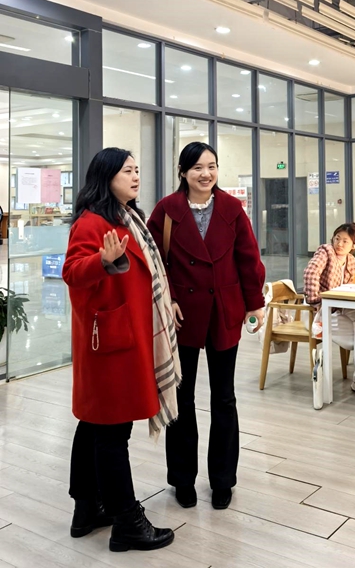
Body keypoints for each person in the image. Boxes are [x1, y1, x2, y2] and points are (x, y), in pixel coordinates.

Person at [63, 148, 180, 553]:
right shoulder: (92, 222)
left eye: (136, 170)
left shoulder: (126, 217)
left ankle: (86, 509)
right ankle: (127, 522)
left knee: (94, 425)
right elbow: (72, 272)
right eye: (127, 171)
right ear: (106, 176)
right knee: (113, 434)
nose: (135, 176)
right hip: (110, 342)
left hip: (121, 337)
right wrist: (101, 260)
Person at [148, 142, 265, 511]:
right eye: (197, 167)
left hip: (223, 310)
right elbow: (154, 261)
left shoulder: (231, 208)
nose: (206, 174)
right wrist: (169, 299)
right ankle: (182, 479)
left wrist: (255, 303)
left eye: (212, 166)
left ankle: (223, 480)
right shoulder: (167, 210)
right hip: (182, 313)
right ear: (183, 172)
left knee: (224, 397)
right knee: (182, 399)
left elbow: (248, 258)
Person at [303, 223, 355, 395]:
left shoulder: (352, 262)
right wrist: (316, 301)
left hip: (337, 308)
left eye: (345, 241)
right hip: (318, 311)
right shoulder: (326, 252)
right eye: (337, 239)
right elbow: (310, 273)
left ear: (354, 245)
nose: (339, 244)